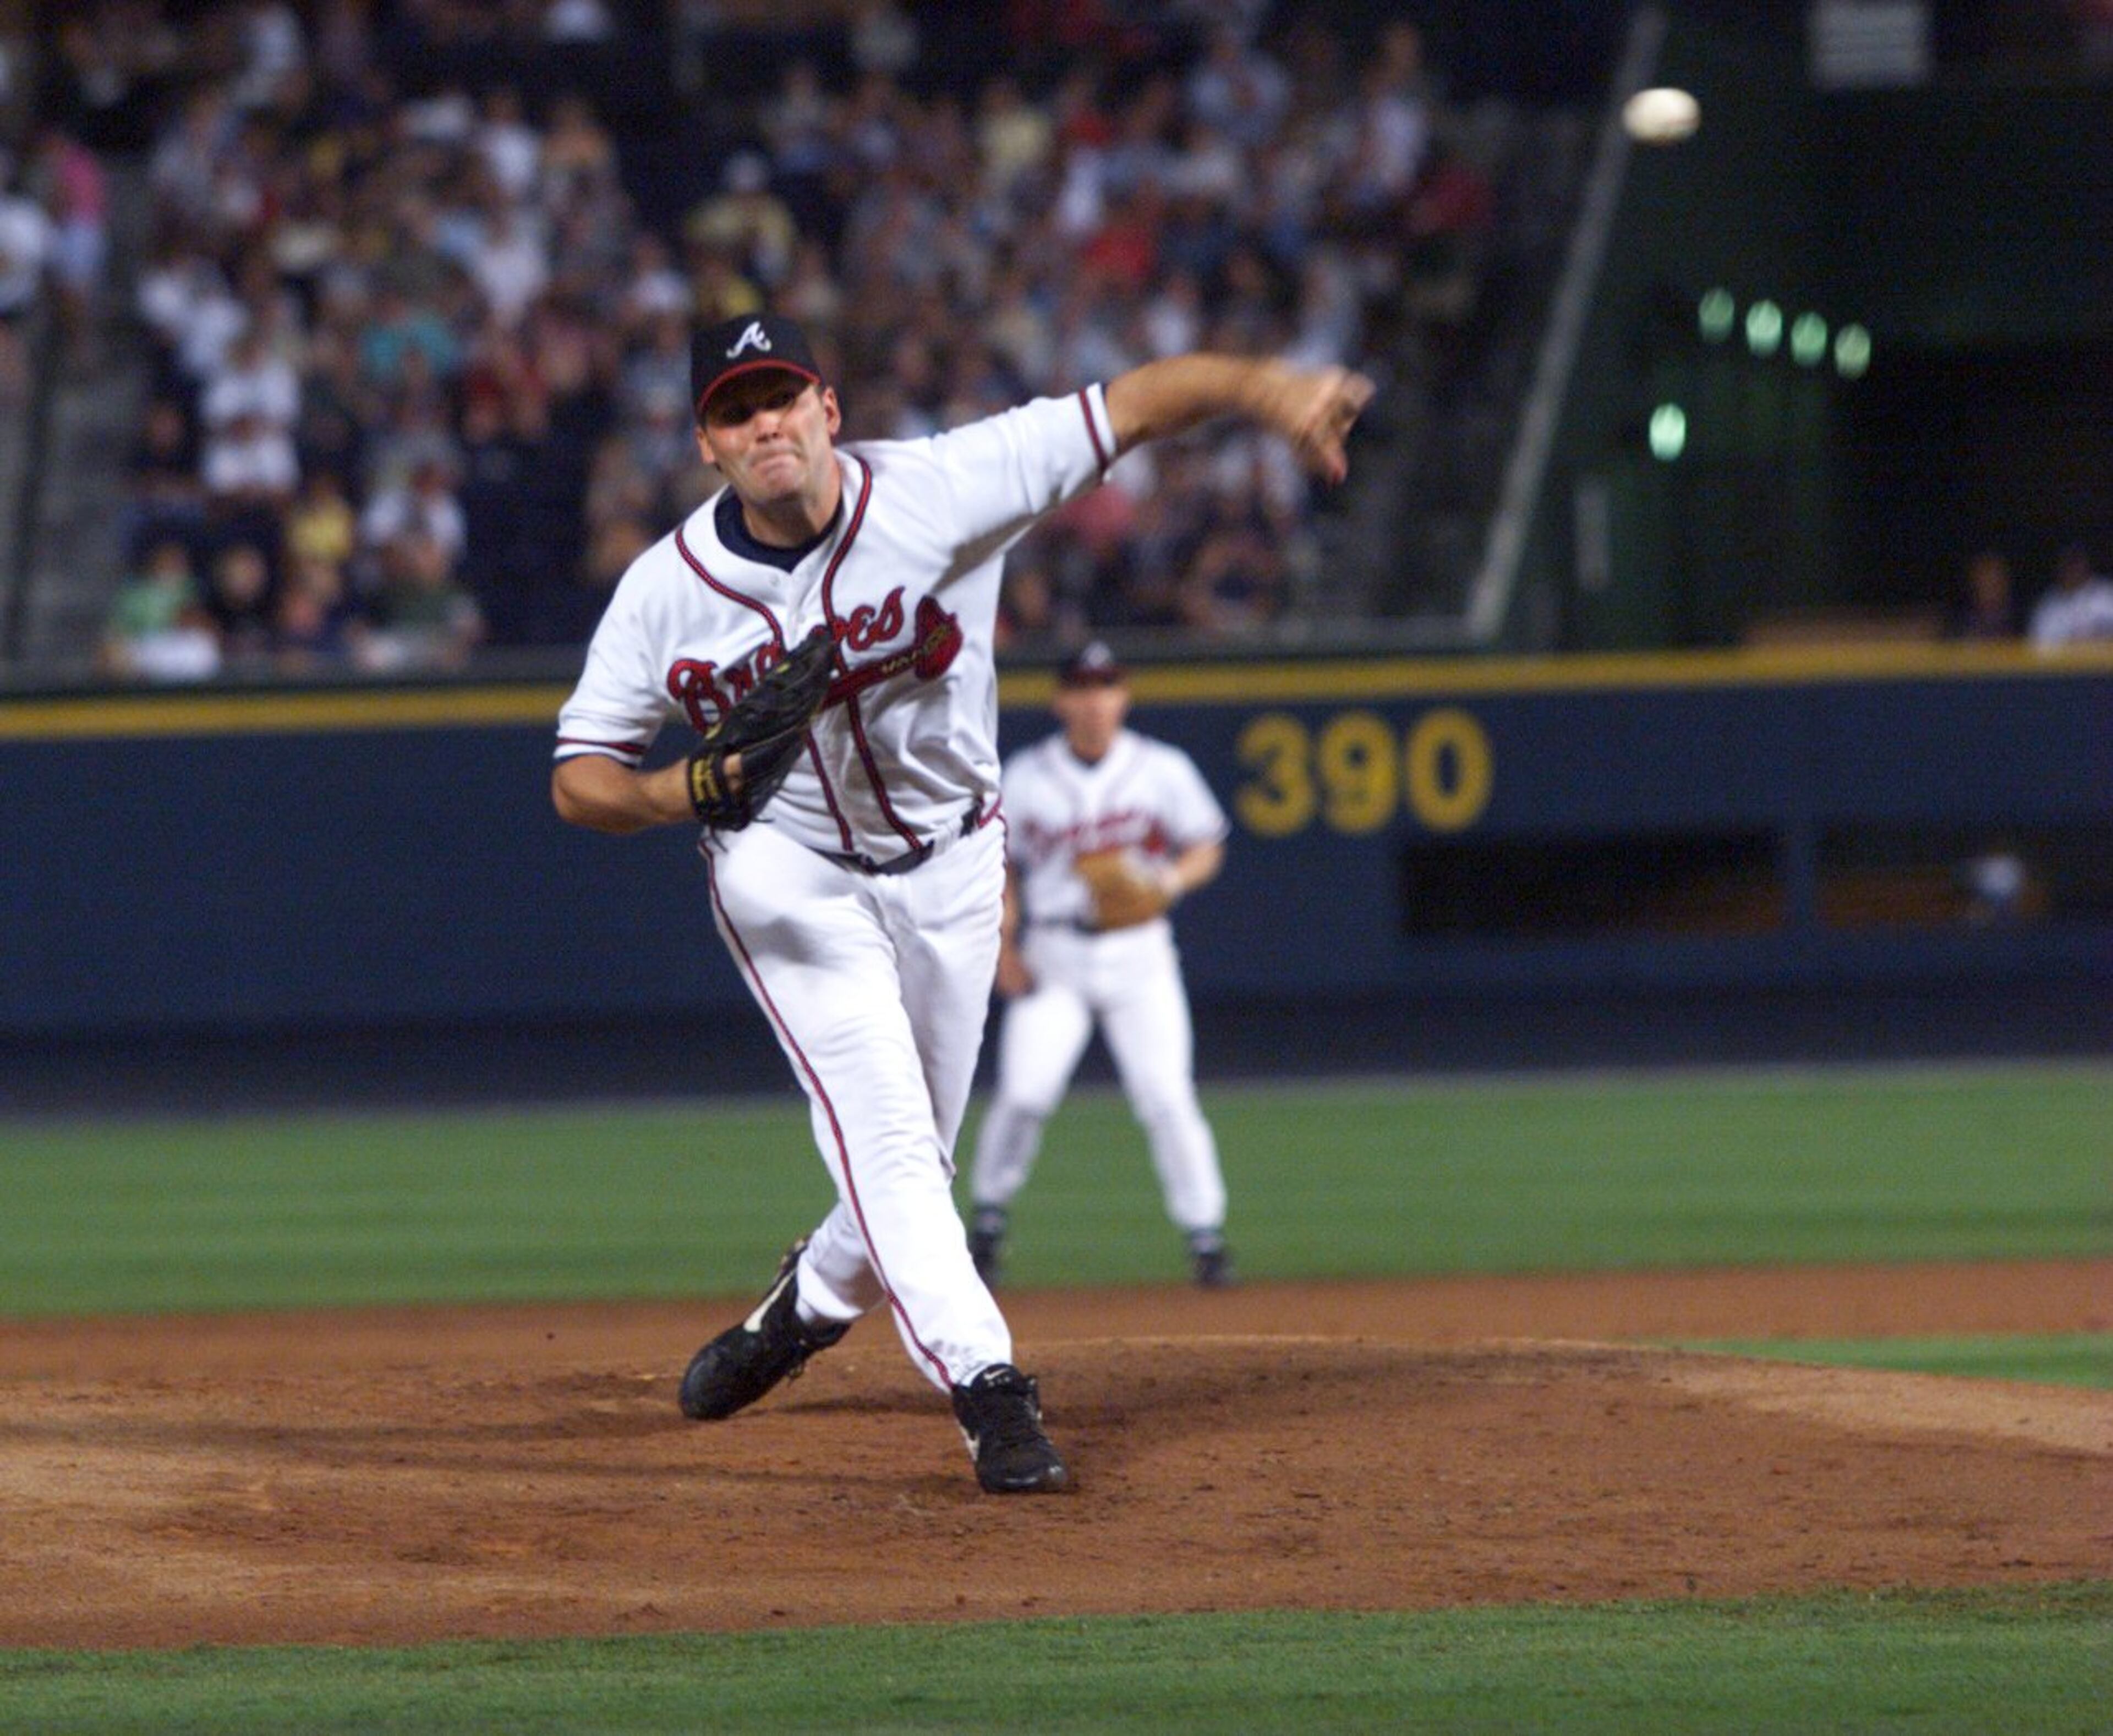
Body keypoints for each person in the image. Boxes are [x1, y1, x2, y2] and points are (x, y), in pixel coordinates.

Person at [550, 311, 1372, 1496]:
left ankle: (811, 1297)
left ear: (830, 408)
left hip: (952, 862)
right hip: (790, 875)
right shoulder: (664, 593)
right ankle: (991, 1388)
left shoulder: (946, 485)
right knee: (888, 1142)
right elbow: (579, 779)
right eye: (737, 409)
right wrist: (679, 789)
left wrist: (1268, 387)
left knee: (913, 1167)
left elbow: (1136, 403)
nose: (765, 422)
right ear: (707, 444)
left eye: (782, 396)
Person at [966, 640, 1235, 1289]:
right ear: (1061, 699)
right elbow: (998, 867)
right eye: (1082, 687)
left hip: (1141, 954)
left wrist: (1167, 881)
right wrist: (1004, 946)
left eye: (1107, 685)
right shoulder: (1025, 775)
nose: (1095, 700)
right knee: (1025, 1093)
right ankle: (987, 1225)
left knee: (1169, 1097)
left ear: (1124, 695)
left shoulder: (1161, 768)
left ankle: (1206, 1239)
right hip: (1054, 955)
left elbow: (1207, 844)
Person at [2027, 541, 2113, 649]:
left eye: (2076, 561)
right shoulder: (2048, 607)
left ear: (2086, 562)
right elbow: (2038, 651)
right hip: (2066, 666)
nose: (2072, 568)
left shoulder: (2107, 595)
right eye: (2068, 562)